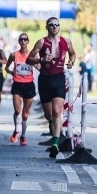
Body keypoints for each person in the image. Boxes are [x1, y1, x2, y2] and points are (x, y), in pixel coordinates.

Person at [27, 17, 76, 158]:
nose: (54, 27)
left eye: (56, 25)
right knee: (48, 113)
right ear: (47, 27)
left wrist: (71, 62)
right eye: (51, 25)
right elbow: (29, 59)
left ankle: (55, 144)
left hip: (59, 78)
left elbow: (72, 54)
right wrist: (41, 59)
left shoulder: (66, 42)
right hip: (45, 79)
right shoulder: (42, 42)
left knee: (57, 111)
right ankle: (50, 122)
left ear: (59, 27)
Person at [6, 33, 37, 145]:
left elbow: (38, 65)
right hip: (17, 84)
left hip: (29, 85)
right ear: (19, 42)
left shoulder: (32, 55)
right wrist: (11, 72)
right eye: (21, 39)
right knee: (17, 111)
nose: (23, 41)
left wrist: (39, 66)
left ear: (28, 41)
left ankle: (23, 136)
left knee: (25, 114)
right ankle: (16, 131)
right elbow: (6, 67)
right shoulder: (13, 55)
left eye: (25, 39)